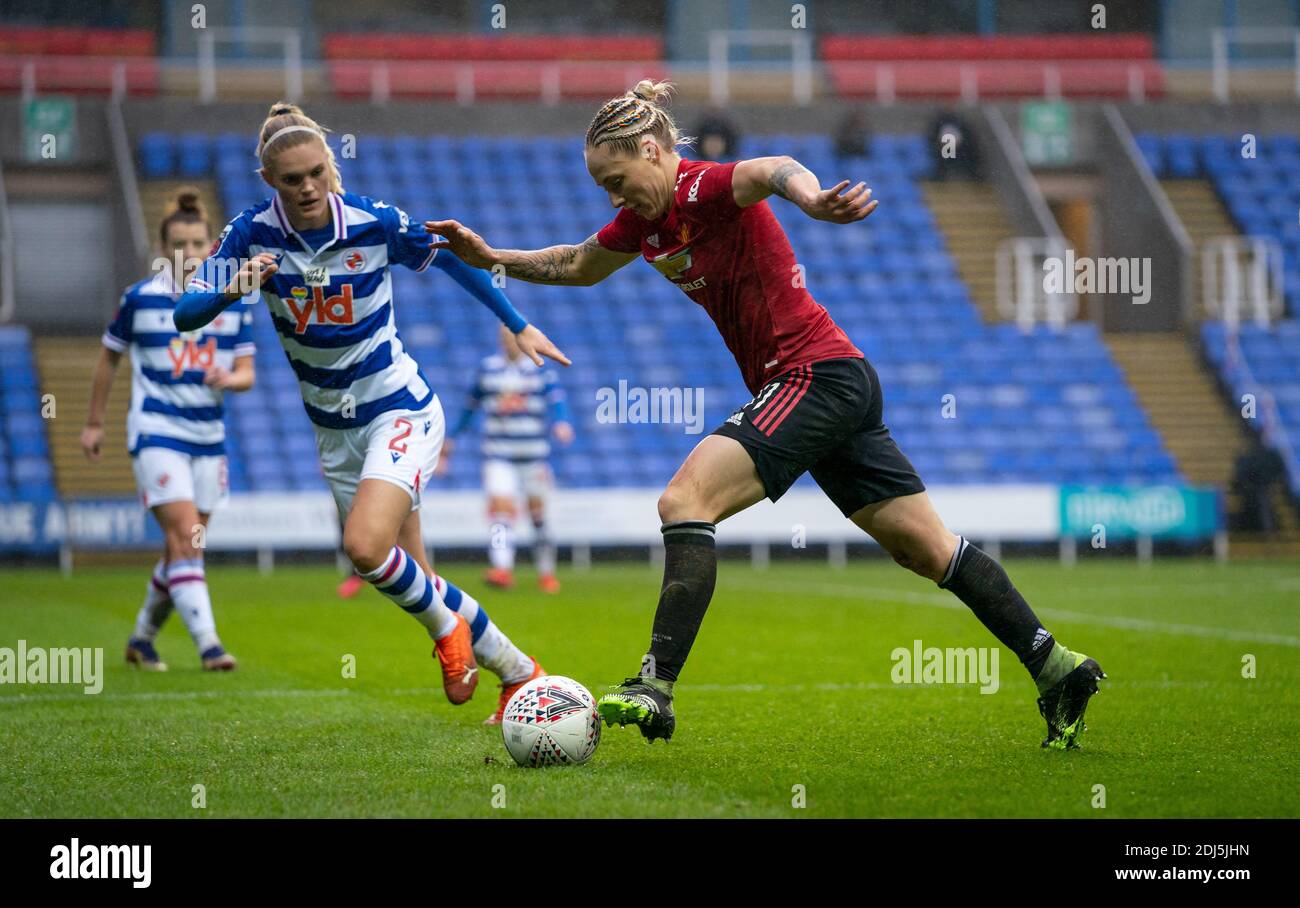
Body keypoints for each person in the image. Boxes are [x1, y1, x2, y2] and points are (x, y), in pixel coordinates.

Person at [427, 80, 1106, 750]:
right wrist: (493, 259)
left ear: (653, 149)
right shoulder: (644, 221)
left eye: (617, 176)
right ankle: (1059, 669)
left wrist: (811, 198)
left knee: (684, 500)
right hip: (834, 382)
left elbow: (771, 170)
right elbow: (578, 262)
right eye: (602, 185)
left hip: (814, 376)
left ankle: (654, 686)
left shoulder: (703, 187)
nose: (612, 195)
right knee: (926, 549)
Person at [173, 102, 566, 722]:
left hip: (398, 408)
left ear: (330, 168)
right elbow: (185, 312)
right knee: (418, 577)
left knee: (363, 547)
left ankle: (451, 638)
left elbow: (457, 261)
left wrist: (517, 324)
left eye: (314, 174)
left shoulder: (372, 221)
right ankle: (521, 674)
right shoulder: (250, 234)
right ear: (269, 181)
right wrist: (232, 285)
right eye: (290, 179)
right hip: (334, 432)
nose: (306, 187)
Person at [82, 188, 246, 672]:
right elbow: (109, 358)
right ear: (163, 249)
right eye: (180, 245)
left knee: (183, 547)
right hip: (157, 433)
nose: (190, 254)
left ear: (211, 246)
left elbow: (248, 372)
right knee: (187, 538)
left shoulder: (232, 300)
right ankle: (210, 645)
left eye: (198, 244)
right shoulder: (140, 299)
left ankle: (141, 640)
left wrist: (230, 378)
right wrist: (94, 422)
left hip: (208, 440)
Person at [439, 324, 574, 593]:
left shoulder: (539, 367)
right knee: (500, 512)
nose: (508, 342)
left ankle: (546, 573)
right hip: (498, 454)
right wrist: (452, 437)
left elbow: (558, 400)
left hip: (533, 455)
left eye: (512, 337)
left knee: (537, 516)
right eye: (504, 337)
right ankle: (502, 568)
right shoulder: (488, 369)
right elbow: (470, 407)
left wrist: (562, 422)